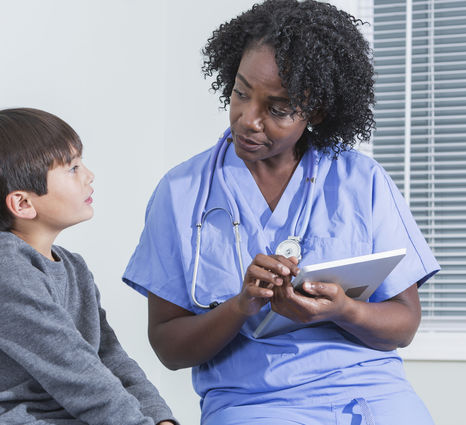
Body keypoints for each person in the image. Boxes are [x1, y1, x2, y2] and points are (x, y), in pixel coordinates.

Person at [123, 1, 440, 424]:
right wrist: (239, 307)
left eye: (277, 109)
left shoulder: (360, 181)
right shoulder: (181, 193)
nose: (248, 119)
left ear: (317, 113)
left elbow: (403, 324)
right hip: (252, 404)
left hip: (368, 397)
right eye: (240, 93)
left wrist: (342, 310)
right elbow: (168, 347)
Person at [0, 108, 177, 425]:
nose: (89, 174)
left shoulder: (74, 269)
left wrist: (160, 418)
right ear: (23, 203)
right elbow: (73, 368)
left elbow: (108, 358)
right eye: (72, 168)